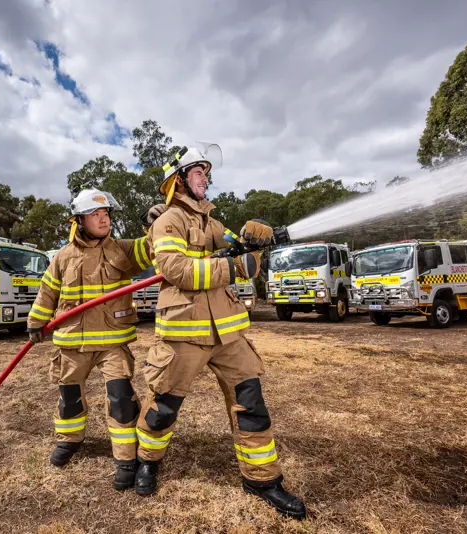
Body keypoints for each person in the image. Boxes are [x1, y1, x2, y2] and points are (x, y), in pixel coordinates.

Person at [133, 145, 307, 520]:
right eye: (198, 171)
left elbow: (245, 265)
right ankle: (146, 460)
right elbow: (178, 270)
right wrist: (231, 265)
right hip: (183, 334)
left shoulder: (213, 224)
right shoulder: (167, 223)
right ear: (179, 179)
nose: (205, 178)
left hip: (228, 334)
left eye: (206, 172)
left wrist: (256, 246)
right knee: (164, 406)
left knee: (252, 405)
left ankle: (263, 479)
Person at [26, 188, 157, 490]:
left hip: (112, 342)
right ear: (79, 220)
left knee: (121, 398)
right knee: (69, 398)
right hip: (72, 343)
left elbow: (153, 248)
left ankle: (126, 458)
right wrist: (36, 322)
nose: (103, 219)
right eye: (96, 214)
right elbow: (48, 292)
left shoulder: (122, 250)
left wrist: (151, 224)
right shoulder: (63, 257)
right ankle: (69, 440)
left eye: (107, 214)